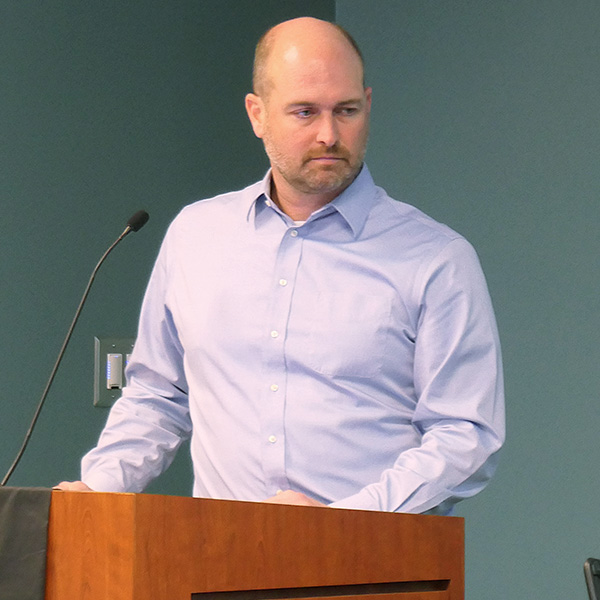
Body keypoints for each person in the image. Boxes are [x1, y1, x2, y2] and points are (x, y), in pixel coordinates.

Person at [57, 17, 505, 514]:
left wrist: (344, 522)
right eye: (305, 112)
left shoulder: (436, 258)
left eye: (347, 110)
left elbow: (465, 434)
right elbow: (158, 395)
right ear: (258, 114)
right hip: (213, 551)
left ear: (368, 105)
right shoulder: (195, 236)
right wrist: (98, 489)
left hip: (370, 555)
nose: (329, 134)